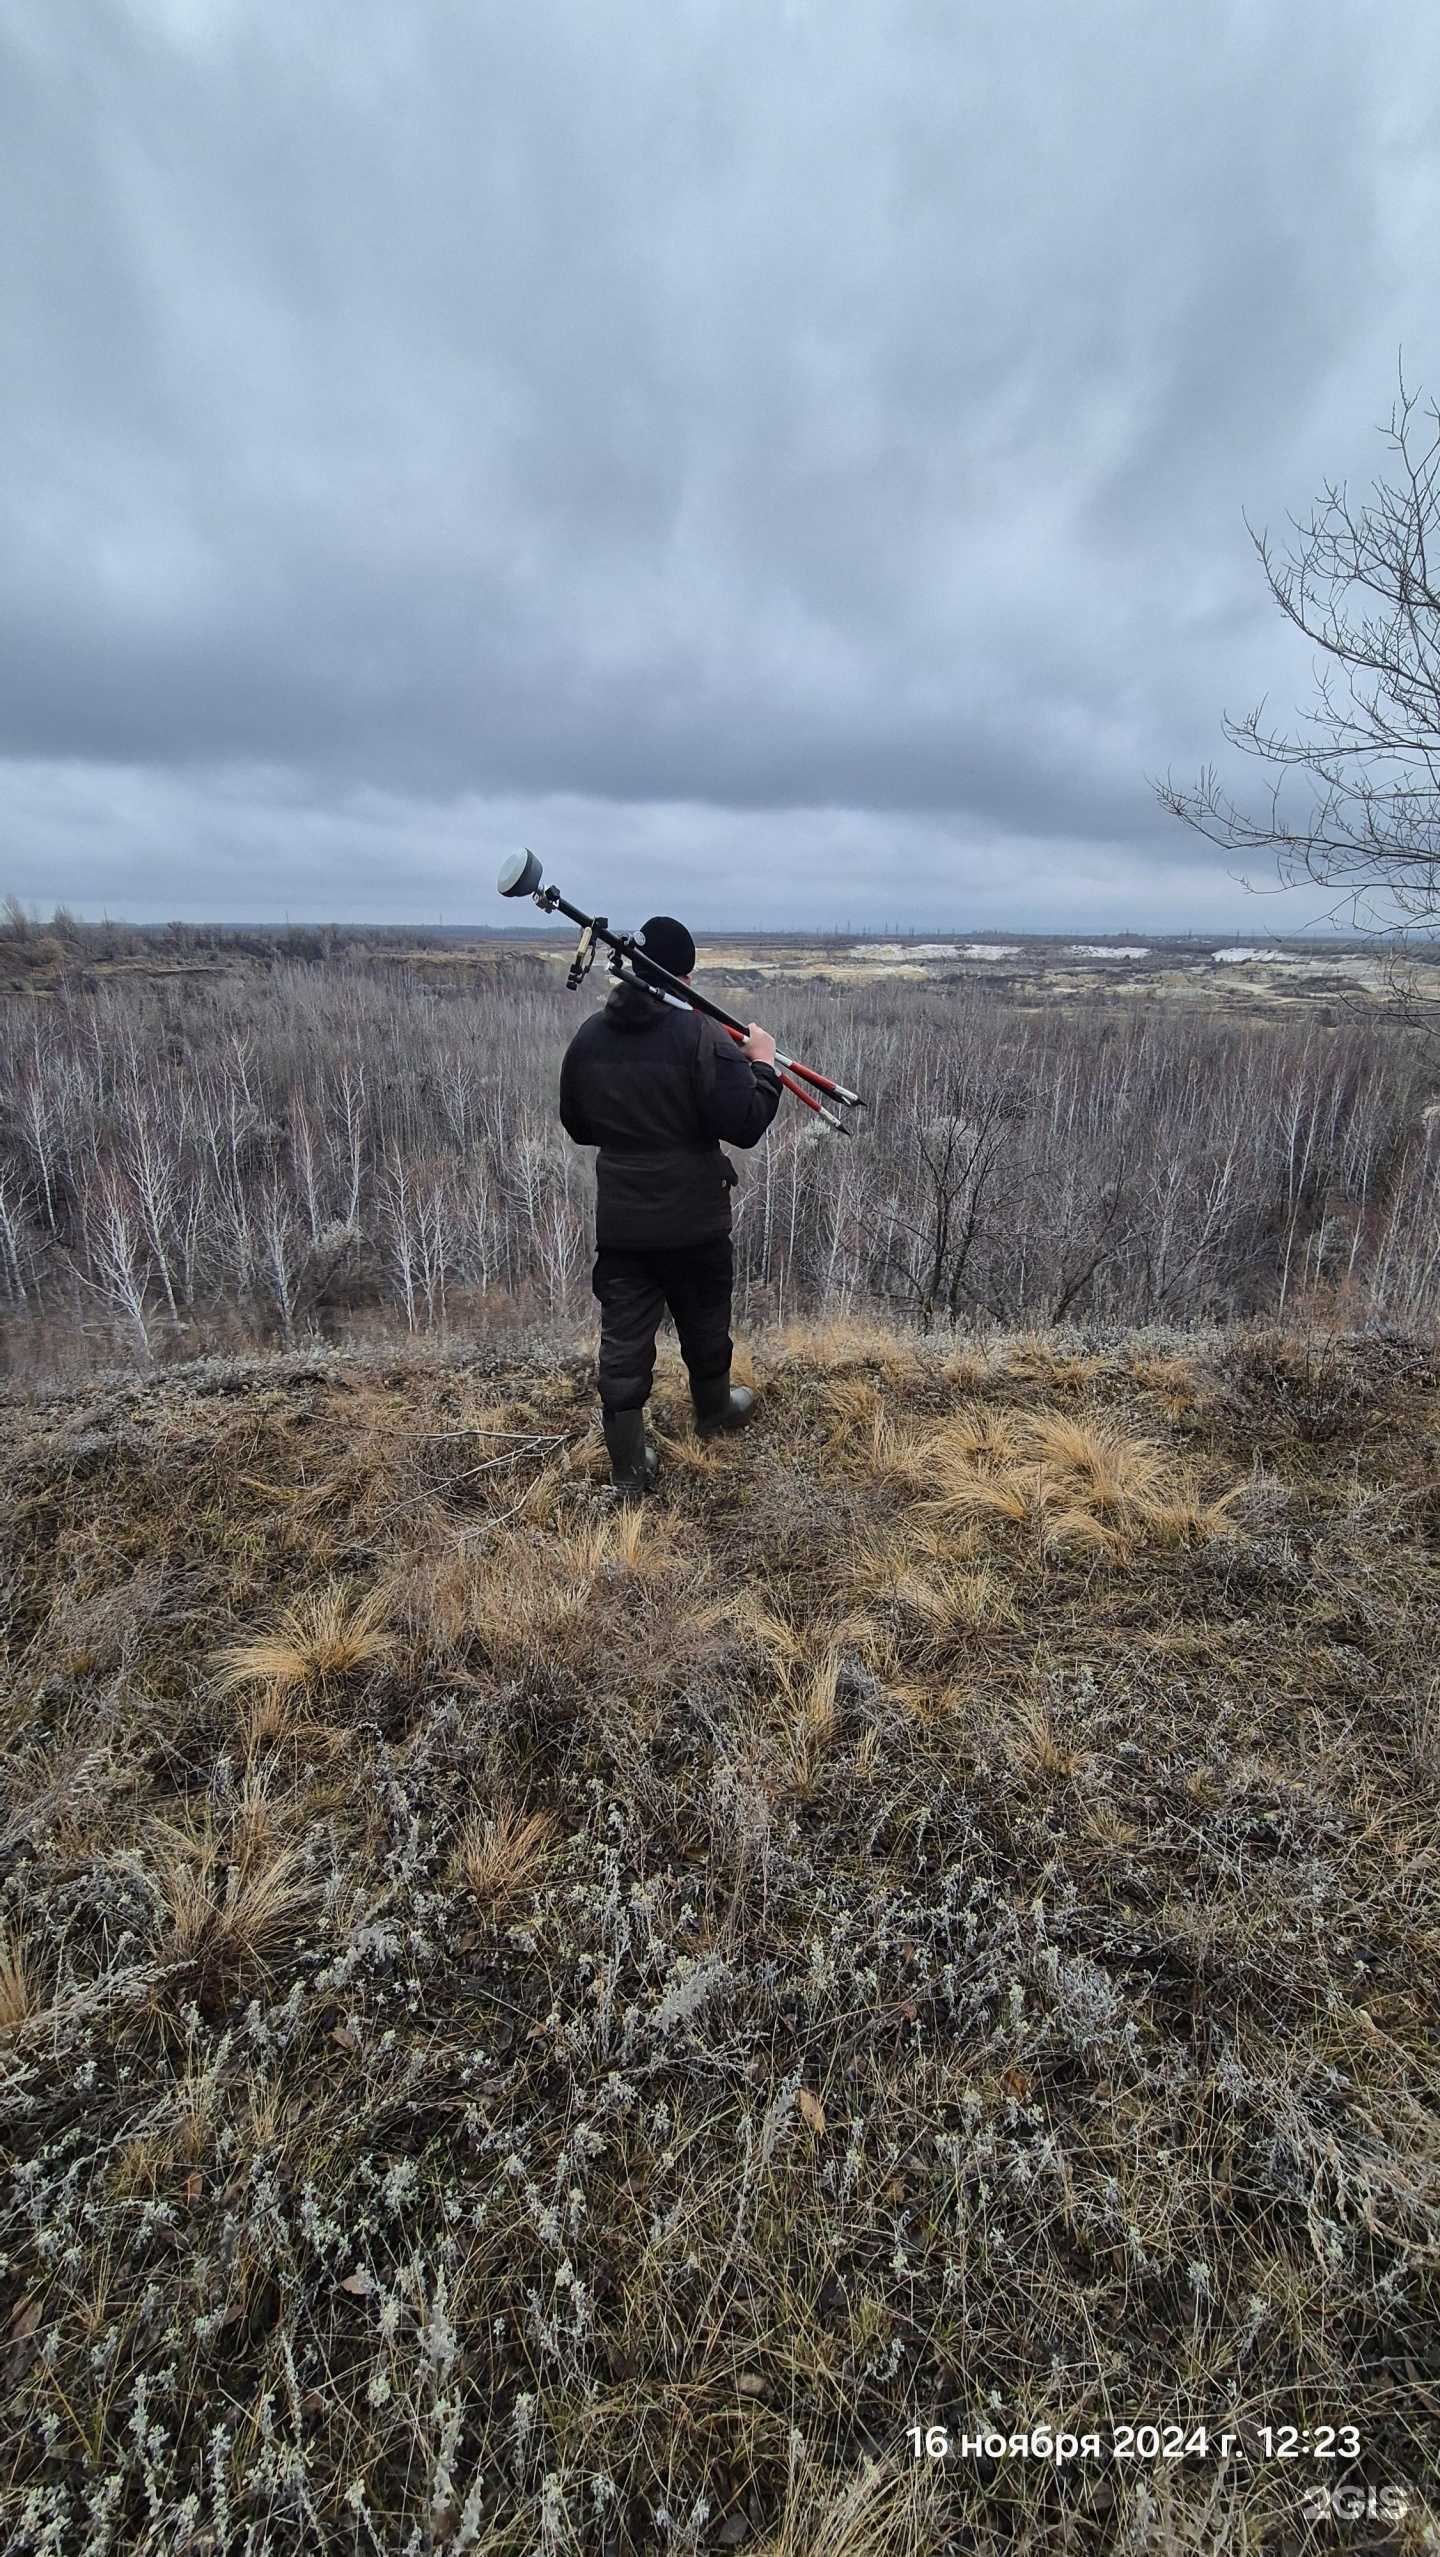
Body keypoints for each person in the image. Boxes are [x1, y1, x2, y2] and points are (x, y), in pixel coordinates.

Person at [559, 914, 783, 1495]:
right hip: (694, 1221)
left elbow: (578, 1125)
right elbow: (747, 1122)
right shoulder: (704, 1037)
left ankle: (629, 1465)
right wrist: (762, 1063)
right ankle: (714, 1410)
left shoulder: (588, 1037)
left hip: (625, 1225)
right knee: (705, 1316)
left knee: (624, 1338)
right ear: (682, 975)